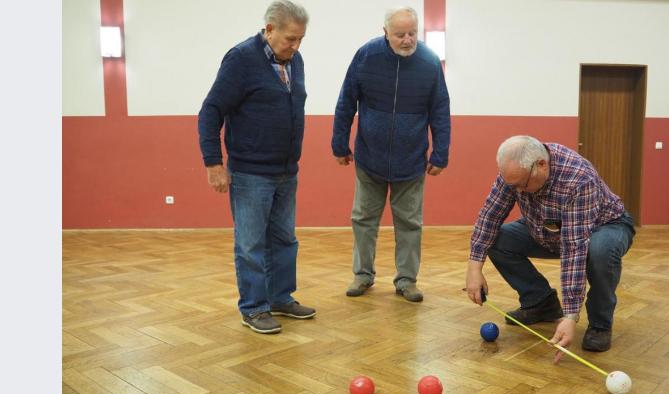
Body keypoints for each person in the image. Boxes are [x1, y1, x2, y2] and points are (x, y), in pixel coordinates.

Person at [197, 0, 315, 334]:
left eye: (301, 39)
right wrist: (213, 164)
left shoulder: (295, 60)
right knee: (250, 245)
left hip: (286, 171)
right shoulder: (241, 59)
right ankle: (253, 307)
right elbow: (210, 111)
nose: (296, 46)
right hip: (250, 173)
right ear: (270, 29)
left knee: (284, 240)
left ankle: (280, 297)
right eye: (290, 39)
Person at [465, 135, 635, 360]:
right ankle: (540, 303)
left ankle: (600, 324)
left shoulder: (578, 178)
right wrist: (474, 269)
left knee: (599, 251)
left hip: (603, 227)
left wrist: (571, 315)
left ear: (541, 165)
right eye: (512, 185)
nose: (519, 191)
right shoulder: (516, 172)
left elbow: (574, 247)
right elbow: (490, 215)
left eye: (521, 185)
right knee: (496, 239)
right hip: (546, 228)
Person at [331, 6, 451, 302]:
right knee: (363, 219)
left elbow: (440, 110)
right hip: (369, 156)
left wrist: (441, 154)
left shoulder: (429, 62)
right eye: (400, 34)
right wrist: (339, 143)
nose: (408, 39)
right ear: (385, 32)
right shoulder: (366, 56)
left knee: (410, 223)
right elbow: (346, 101)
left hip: (411, 160)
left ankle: (407, 280)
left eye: (412, 33)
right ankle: (362, 275)